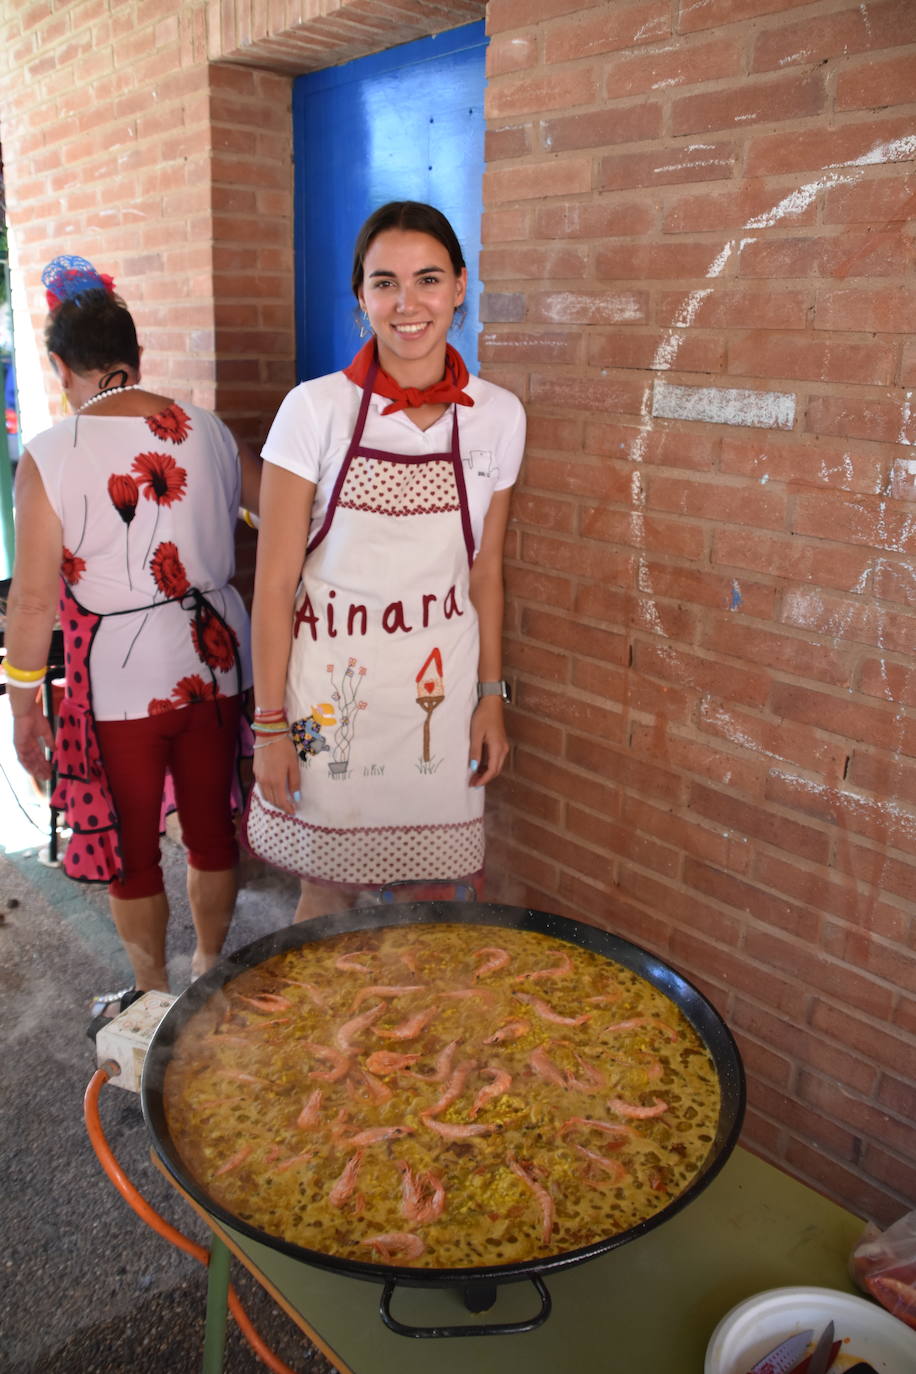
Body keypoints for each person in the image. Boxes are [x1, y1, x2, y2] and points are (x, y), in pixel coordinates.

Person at [247, 201, 526, 921]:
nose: (408, 303)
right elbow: (275, 585)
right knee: (325, 886)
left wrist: (492, 695)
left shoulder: (498, 416)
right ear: (360, 297)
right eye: (384, 283)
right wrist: (271, 726)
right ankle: (318, 1035)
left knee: (436, 903)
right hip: (324, 698)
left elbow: (485, 572)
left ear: (461, 287)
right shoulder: (313, 411)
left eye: (428, 279)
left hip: (439, 696)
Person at [3, 255, 260, 1015]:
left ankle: (152, 999)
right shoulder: (206, 430)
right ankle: (210, 970)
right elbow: (279, 513)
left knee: (131, 845)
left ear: (60, 367)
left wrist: (23, 704)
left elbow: (31, 599)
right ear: (135, 355)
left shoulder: (52, 453)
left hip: (118, 681)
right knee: (212, 830)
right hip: (216, 662)